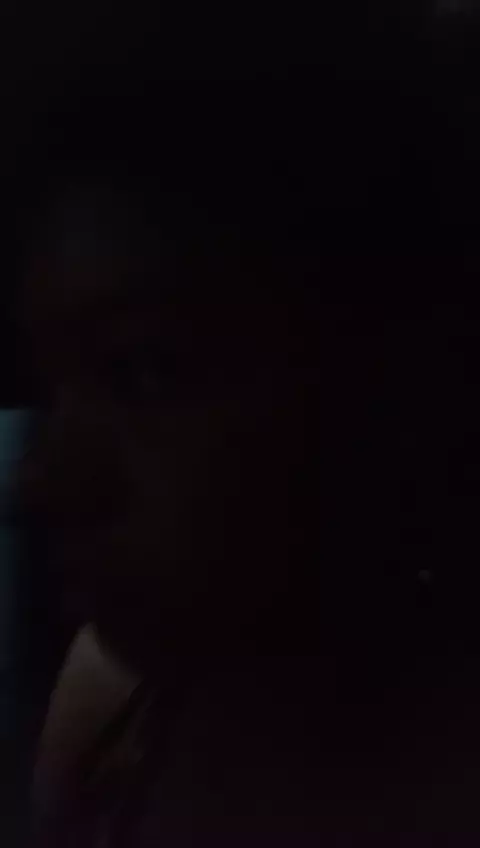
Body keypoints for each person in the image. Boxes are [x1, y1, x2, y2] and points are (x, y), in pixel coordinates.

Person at [16, 69, 471, 844]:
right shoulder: (112, 706)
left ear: (396, 377)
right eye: (51, 388)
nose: (43, 482)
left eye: (145, 370)